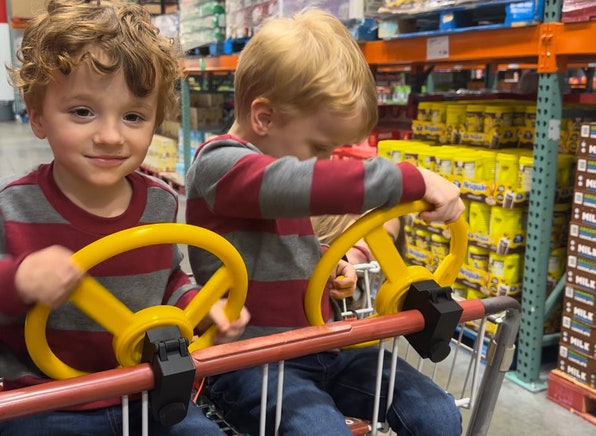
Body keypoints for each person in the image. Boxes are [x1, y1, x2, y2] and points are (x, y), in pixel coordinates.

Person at [0, 1, 249, 435]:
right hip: (43, 402)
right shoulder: (7, 208)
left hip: (149, 391)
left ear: (155, 123)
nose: (110, 136)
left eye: (133, 116)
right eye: (82, 112)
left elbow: (167, 282)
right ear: (37, 115)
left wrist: (201, 310)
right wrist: (14, 282)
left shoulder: (160, 204)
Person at [185, 8, 464, 436]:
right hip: (249, 360)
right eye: (319, 146)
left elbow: (291, 247)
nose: (326, 162)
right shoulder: (221, 167)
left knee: (437, 413)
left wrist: (337, 267)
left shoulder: (284, 171)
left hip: (324, 343)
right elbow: (296, 184)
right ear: (264, 117)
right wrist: (410, 179)